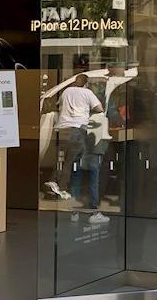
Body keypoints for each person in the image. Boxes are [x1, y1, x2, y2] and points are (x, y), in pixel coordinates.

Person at [46, 73, 106, 223]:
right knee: (72, 162)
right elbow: (99, 109)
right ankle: (60, 186)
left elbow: (58, 105)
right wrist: (87, 111)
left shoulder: (66, 91)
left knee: (62, 158)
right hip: (77, 129)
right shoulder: (87, 93)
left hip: (61, 130)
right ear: (86, 83)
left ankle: (55, 181)